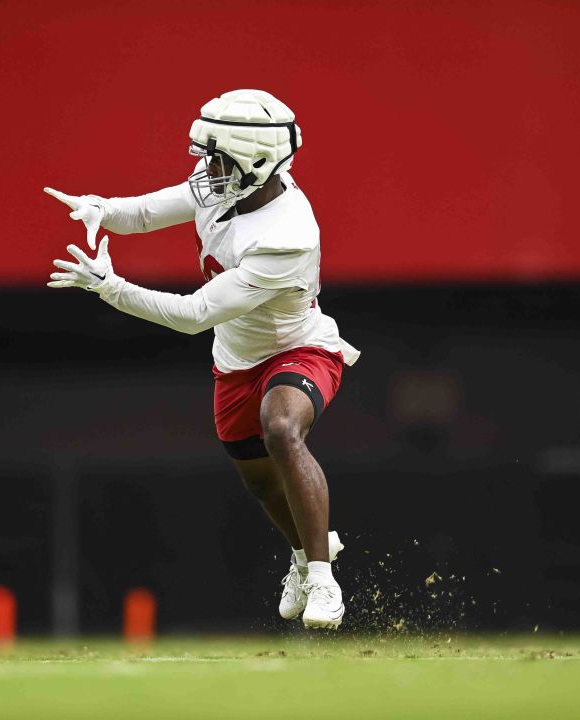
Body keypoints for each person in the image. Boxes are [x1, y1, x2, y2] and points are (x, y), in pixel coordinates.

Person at [44, 89, 358, 629]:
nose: (205, 169)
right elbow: (145, 212)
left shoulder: (289, 235)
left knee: (281, 429)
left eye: (216, 158)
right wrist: (101, 208)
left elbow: (193, 315)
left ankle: (325, 579)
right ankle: (306, 556)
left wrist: (110, 288)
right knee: (260, 480)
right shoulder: (231, 184)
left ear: (255, 161)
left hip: (298, 348)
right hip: (234, 361)